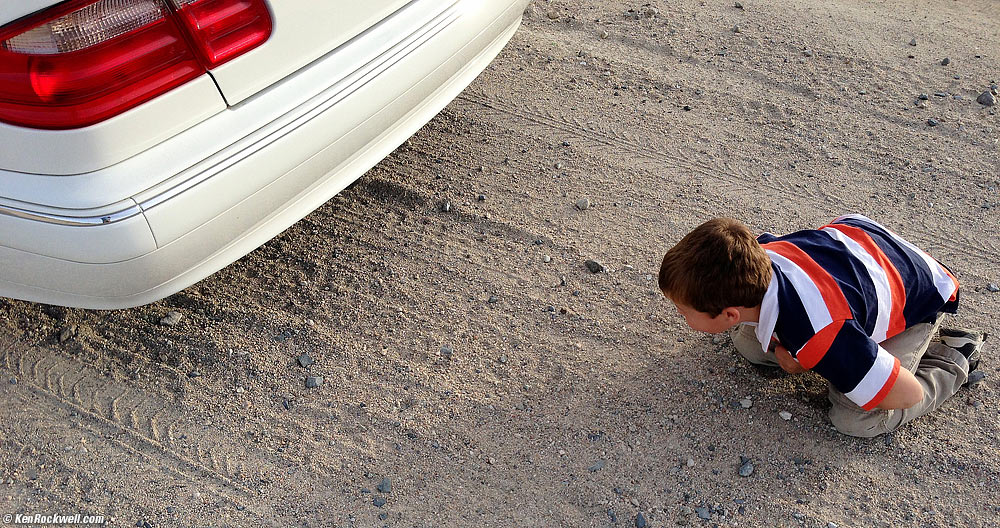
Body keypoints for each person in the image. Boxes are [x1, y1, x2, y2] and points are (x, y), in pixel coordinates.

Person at [657, 214, 986, 437]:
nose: (680, 315)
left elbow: (907, 394)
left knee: (854, 418)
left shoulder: (822, 333)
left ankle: (955, 356)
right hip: (860, 243)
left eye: (683, 311)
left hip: (919, 292)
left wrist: (812, 358)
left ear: (729, 314)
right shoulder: (758, 254)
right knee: (750, 345)